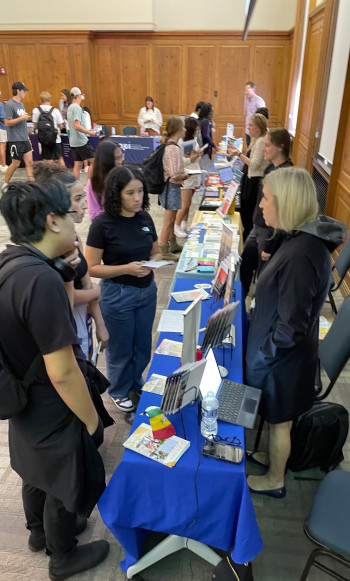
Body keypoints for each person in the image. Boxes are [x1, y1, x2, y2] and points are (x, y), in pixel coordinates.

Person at [0, 180, 110, 579]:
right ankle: (62, 555)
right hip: (48, 398)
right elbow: (63, 373)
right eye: (69, 212)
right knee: (65, 472)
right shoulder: (41, 280)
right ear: (51, 221)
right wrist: (92, 421)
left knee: (33, 466)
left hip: (18, 391)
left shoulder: (10, 261)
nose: (76, 219)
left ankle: (36, 533)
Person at [245, 167, 346, 498]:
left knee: (281, 422)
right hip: (284, 357)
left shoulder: (302, 255)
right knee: (278, 421)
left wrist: (264, 353)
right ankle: (274, 457)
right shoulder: (298, 240)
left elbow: (291, 327)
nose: (261, 205)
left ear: (286, 202)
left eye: (267, 198)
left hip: (282, 362)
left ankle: (275, 478)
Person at [85, 165, 161, 413]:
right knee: (120, 347)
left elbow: (156, 251)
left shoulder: (145, 218)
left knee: (141, 345)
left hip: (147, 291)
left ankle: (136, 382)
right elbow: (92, 267)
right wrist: (126, 269)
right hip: (117, 294)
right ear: (117, 194)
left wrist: (152, 264)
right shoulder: (102, 224)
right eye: (130, 193)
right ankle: (118, 390)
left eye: (140, 191)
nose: (137, 198)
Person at [33, 162, 109, 359]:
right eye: (77, 198)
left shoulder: (74, 236)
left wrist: (100, 324)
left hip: (83, 321)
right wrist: (96, 291)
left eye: (84, 196)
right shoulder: (49, 250)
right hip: (64, 329)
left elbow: (85, 281)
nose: (85, 203)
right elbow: (68, 297)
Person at [240, 128, 293, 298]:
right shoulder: (271, 168)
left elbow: (282, 216)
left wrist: (270, 245)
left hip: (268, 232)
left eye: (268, 145)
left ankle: (256, 309)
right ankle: (241, 297)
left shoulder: (285, 174)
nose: (264, 148)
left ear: (281, 147)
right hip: (258, 226)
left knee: (264, 276)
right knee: (245, 262)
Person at [229, 113, 268, 241]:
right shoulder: (255, 139)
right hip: (249, 178)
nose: (249, 128)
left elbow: (255, 164)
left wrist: (239, 154)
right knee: (245, 209)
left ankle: (248, 238)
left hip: (254, 181)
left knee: (248, 210)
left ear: (258, 127)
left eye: (251, 125)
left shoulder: (261, 141)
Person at [158, 116, 188, 261]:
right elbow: (175, 174)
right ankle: (163, 249)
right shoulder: (173, 148)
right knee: (169, 220)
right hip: (171, 187)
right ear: (177, 130)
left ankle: (173, 243)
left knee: (171, 217)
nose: (185, 130)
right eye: (183, 127)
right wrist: (185, 175)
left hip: (168, 187)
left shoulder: (169, 145)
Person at [174, 116, 202, 238]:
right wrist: (190, 159)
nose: (197, 132)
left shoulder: (193, 140)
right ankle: (176, 226)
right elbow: (180, 160)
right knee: (184, 204)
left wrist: (198, 154)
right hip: (185, 174)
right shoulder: (180, 142)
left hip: (194, 172)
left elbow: (195, 158)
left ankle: (184, 225)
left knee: (189, 203)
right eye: (195, 129)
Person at [3, 82, 33, 188]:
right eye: (23, 90)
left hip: (24, 138)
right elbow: (7, 122)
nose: (25, 92)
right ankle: (5, 183)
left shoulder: (21, 105)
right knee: (15, 164)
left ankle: (33, 185)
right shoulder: (9, 105)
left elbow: (23, 123)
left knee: (29, 162)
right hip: (15, 139)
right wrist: (21, 118)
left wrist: (28, 137)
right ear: (18, 91)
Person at [86, 139, 124, 220]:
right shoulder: (93, 182)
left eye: (121, 156)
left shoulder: (125, 176)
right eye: (116, 158)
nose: (120, 161)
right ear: (105, 160)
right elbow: (94, 213)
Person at [67, 87, 96, 179]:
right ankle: (89, 186)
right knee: (94, 162)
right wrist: (89, 132)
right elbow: (77, 125)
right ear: (79, 96)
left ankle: (76, 188)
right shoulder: (77, 108)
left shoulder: (69, 108)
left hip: (73, 141)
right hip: (81, 141)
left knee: (77, 164)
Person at [32, 91, 65, 167]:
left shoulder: (36, 110)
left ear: (41, 100)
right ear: (50, 99)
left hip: (43, 139)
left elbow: (35, 126)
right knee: (60, 159)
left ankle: (50, 177)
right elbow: (61, 126)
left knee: (48, 160)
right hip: (55, 138)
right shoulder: (55, 110)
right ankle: (64, 176)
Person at [244, 82, 265, 147]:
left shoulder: (258, 100)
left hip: (255, 132)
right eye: (245, 90)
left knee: (253, 153)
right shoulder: (247, 101)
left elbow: (263, 117)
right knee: (249, 151)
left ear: (253, 90)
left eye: (247, 90)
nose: (246, 92)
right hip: (248, 131)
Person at [198, 102, 216, 176]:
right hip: (205, 148)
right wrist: (214, 145)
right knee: (205, 169)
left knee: (201, 167)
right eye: (211, 111)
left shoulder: (200, 120)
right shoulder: (206, 121)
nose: (212, 113)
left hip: (201, 147)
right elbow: (206, 135)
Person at [0, 90, 8, 172]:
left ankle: (0, 164)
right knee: (2, 146)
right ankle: (3, 165)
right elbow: (2, 117)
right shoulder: (0, 105)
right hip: (2, 128)